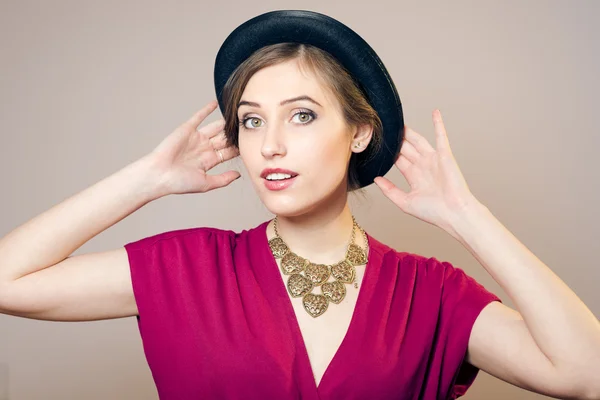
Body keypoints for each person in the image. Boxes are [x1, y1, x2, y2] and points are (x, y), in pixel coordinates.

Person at [1, 9, 599, 400]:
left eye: (303, 115)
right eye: (252, 121)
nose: (271, 145)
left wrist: (468, 217)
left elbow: (586, 372)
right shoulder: (188, 269)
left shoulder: (432, 294)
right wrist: (146, 179)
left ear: (360, 132)